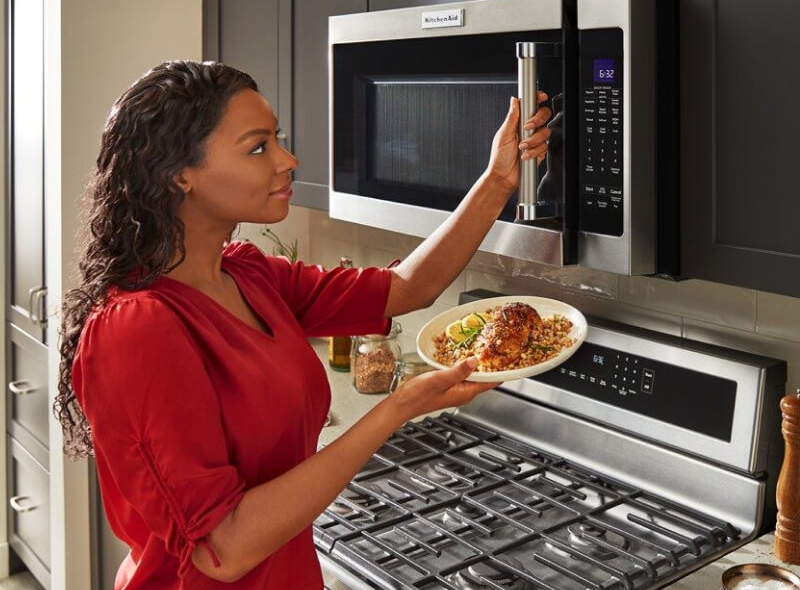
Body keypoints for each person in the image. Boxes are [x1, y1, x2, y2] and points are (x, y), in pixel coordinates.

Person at [55, 60, 552, 589]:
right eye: (257, 147)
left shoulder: (247, 274)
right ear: (182, 174)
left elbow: (408, 288)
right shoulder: (138, 328)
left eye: (279, 140)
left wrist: (499, 178)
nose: (287, 160)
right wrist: (396, 409)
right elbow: (224, 547)